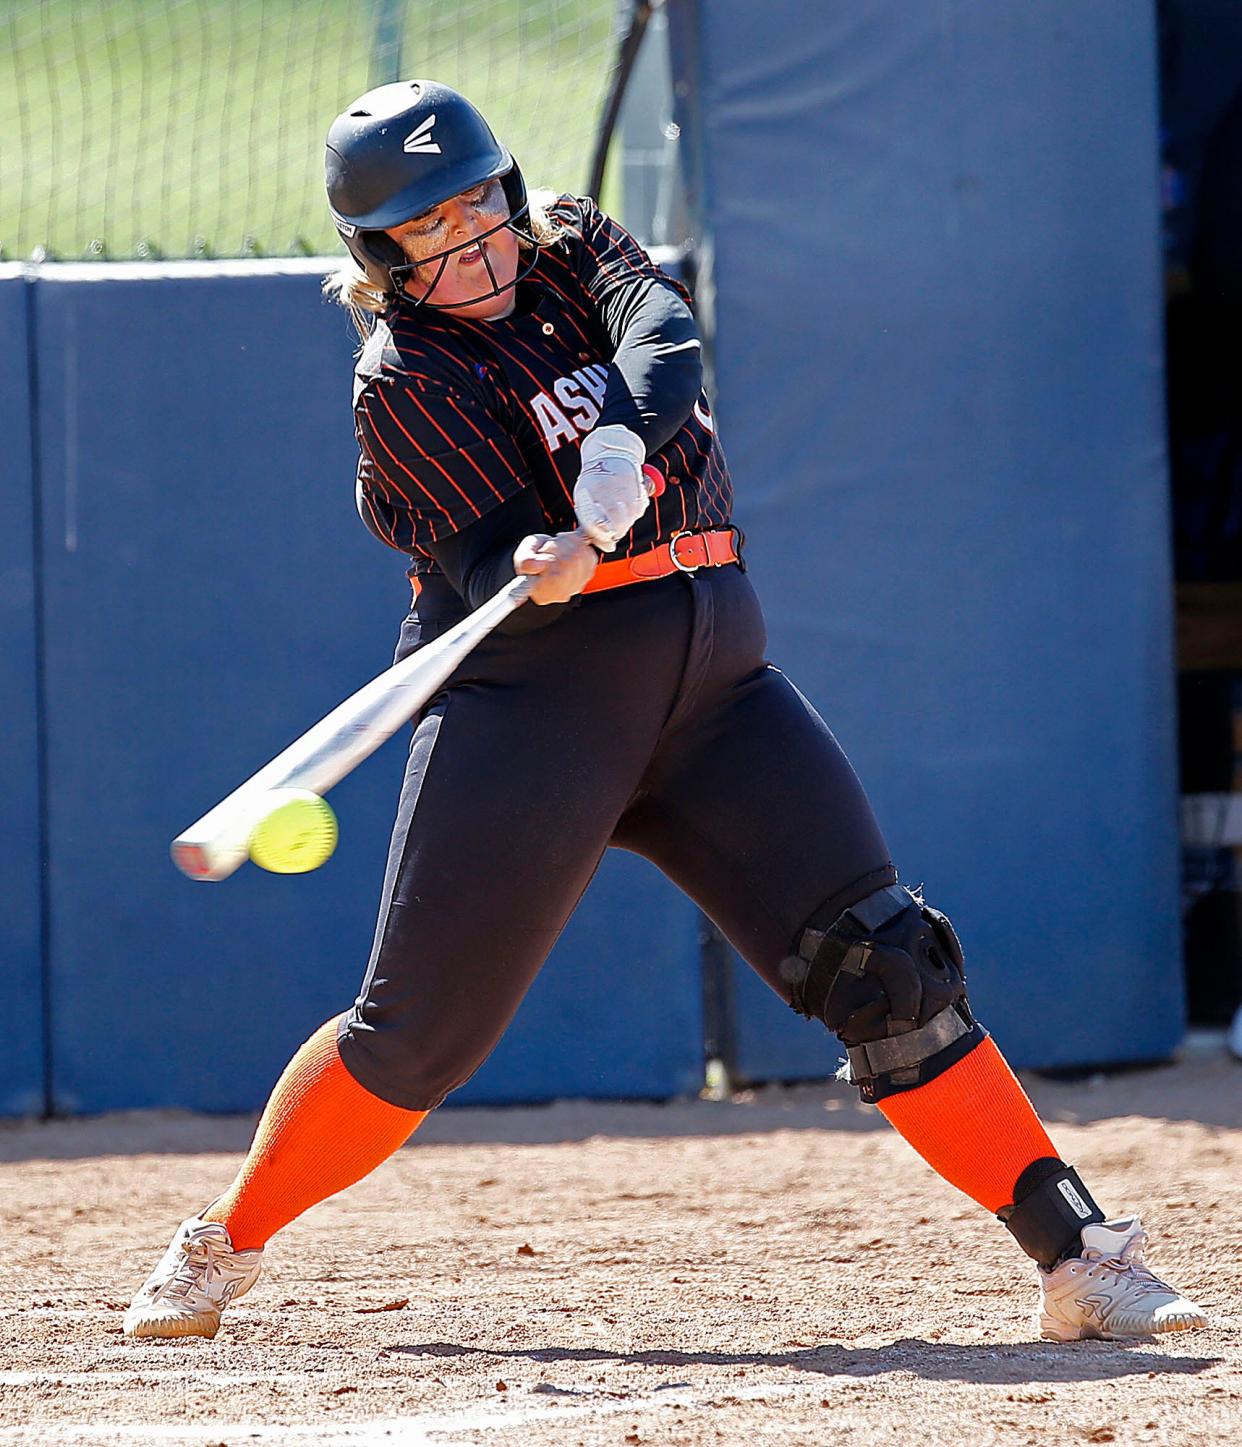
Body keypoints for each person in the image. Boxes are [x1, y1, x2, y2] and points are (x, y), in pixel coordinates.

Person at [123, 80, 1207, 1345]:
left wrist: (621, 442)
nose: (470, 248)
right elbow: (476, 567)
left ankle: (1077, 1256)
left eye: (480, 211)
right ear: (383, 255)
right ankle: (225, 1240)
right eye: (433, 233)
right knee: (414, 1039)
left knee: (888, 963)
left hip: (715, 693)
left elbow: (664, 337)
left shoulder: (576, 243)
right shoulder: (403, 383)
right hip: (536, 711)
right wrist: (536, 557)